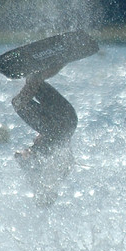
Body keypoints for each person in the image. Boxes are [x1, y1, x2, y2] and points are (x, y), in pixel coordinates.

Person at [11, 65, 77, 206]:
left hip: (70, 121)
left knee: (35, 80)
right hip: (56, 127)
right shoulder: (37, 173)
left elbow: (67, 158)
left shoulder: (58, 174)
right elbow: (20, 155)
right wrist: (25, 155)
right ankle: (55, 63)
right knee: (19, 102)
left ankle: (59, 61)